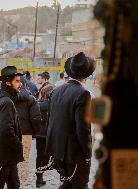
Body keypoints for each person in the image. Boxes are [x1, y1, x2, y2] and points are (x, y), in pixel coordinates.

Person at [46, 52, 95, 189]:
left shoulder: (57, 90)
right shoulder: (83, 94)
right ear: (86, 76)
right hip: (74, 152)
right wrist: (87, 152)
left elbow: (52, 119)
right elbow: (83, 128)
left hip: (57, 148)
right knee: (79, 185)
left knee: (68, 183)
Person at [0, 66, 23, 189]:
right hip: (4, 153)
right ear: (8, 83)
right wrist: (18, 144)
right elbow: (6, 131)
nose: (20, 84)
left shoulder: (3, 98)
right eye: (17, 81)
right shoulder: (6, 102)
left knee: (14, 184)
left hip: (7, 154)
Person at [15, 76, 41, 187]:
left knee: (11, 158)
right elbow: (35, 118)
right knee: (24, 158)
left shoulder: (9, 97)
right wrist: (35, 131)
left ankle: (13, 182)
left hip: (11, 132)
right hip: (26, 132)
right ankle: (23, 182)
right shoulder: (30, 98)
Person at [35, 84, 55, 187]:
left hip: (40, 134)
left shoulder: (38, 104)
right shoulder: (54, 105)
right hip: (50, 134)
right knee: (52, 155)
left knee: (40, 156)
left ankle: (39, 179)